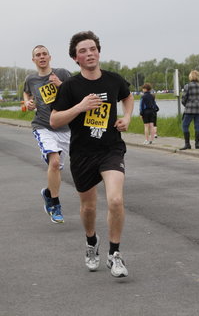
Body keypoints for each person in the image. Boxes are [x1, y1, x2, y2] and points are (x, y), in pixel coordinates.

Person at [50, 31, 133, 278]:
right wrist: (80, 106)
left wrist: (127, 117)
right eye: (83, 51)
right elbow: (55, 119)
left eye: (92, 49)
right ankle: (91, 242)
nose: (89, 53)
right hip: (83, 152)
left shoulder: (113, 80)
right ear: (76, 58)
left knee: (115, 200)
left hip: (110, 149)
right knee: (88, 207)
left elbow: (127, 97)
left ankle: (114, 254)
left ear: (99, 51)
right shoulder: (70, 87)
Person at [23, 45, 71, 224]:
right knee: (55, 161)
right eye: (38, 55)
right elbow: (27, 92)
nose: (41, 57)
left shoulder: (62, 73)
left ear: (50, 57)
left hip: (65, 129)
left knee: (57, 169)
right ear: (33, 60)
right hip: (43, 126)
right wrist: (28, 102)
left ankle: (49, 194)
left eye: (44, 54)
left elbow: (76, 92)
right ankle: (56, 205)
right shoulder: (31, 79)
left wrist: (61, 85)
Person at [179, 70, 199, 150]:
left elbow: (183, 98)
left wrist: (186, 105)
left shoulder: (187, 86)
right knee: (197, 126)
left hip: (189, 109)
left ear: (191, 76)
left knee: (185, 125)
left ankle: (187, 144)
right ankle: (197, 144)